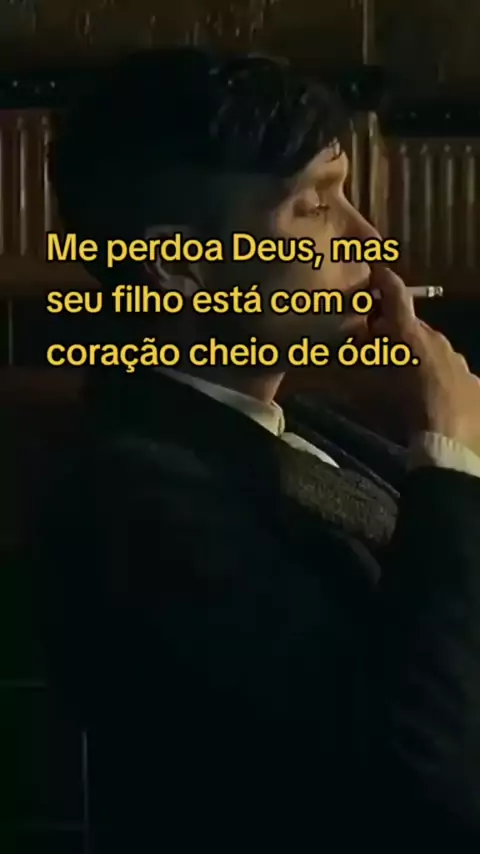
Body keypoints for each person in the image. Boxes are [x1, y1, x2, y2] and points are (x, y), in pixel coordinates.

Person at [36, 47, 480, 852]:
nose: (368, 240)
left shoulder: (298, 422)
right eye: (314, 208)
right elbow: (415, 787)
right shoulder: (134, 501)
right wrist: (450, 462)